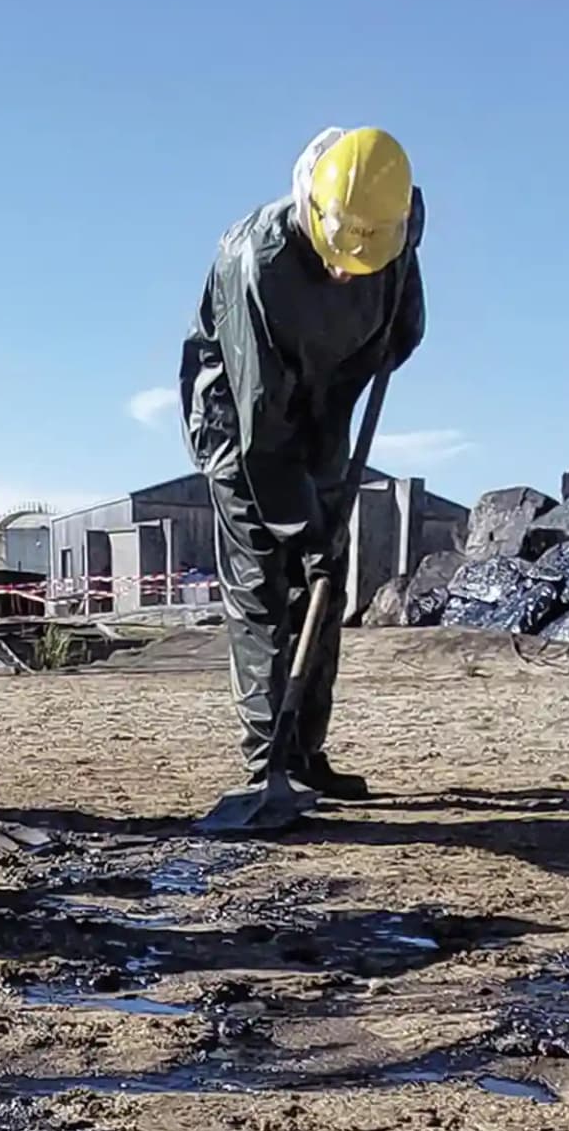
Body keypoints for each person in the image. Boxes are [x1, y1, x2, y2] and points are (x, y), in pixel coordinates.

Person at [179, 126, 425, 833]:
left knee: (326, 578)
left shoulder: (394, 228)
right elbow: (261, 428)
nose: (350, 272)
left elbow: (400, 333)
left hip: (323, 405)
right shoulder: (254, 262)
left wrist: (337, 416)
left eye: (367, 257)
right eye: (339, 254)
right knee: (266, 580)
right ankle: (267, 766)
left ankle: (305, 749)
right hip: (241, 424)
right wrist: (300, 525)